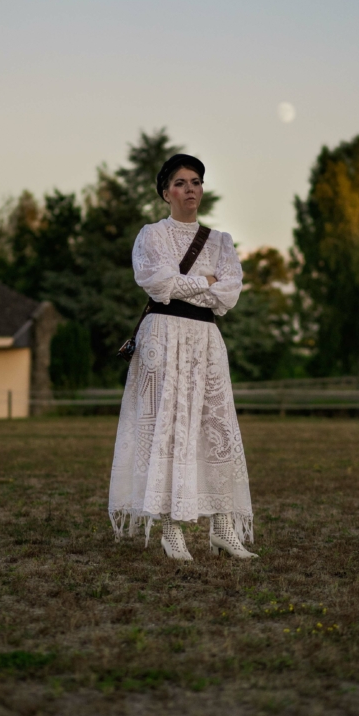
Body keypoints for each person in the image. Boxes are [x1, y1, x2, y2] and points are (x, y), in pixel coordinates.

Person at [108, 154, 256, 561]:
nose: (190, 188)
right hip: (162, 338)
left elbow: (228, 294)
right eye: (180, 182)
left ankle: (224, 528)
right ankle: (170, 529)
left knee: (214, 426)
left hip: (205, 340)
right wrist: (204, 281)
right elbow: (155, 283)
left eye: (196, 181)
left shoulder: (221, 241)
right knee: (168, 430)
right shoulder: (151, 235)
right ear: (165, 192)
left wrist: (187, 284)